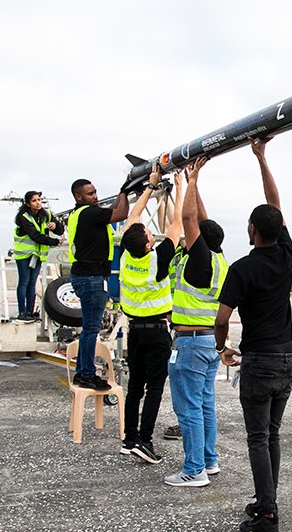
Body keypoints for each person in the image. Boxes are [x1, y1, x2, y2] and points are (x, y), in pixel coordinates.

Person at [215, 139, 292, 532]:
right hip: (286, 359)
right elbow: (275, 206)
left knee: (257, 438)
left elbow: (222, 317)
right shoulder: (285, 255)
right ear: (278, 230)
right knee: (273, 435)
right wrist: (263, 158)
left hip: (260, 361)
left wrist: (222, 347)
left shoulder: (242, 268)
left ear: (251, 230)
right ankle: (267, 500)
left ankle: (267, 513)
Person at [164, 156, 228, 488]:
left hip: (189, 344)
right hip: (207, 344)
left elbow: (190, 218)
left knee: (188, 409)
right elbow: (200, 218)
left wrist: (191, 180)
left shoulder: (200, 259)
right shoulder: (218, 259)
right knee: (204, 405)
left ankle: (194, 470)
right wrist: (195, 186)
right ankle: (209, 460)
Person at [117, 164, 182, 465]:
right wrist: (181, 187)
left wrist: (149, 187)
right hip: (156, 332)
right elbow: (177, 224)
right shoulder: (158, 260)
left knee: (135, 388)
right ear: (147, 243)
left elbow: (133, 219)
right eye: (147, 232)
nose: (147, 229)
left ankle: (129, 438)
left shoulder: (128, 255)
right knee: (155, 387)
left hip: (135, 331)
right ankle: (144, 440)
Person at [67, 177, 130, 391]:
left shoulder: (80, 214)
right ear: (78, 196)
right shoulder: (90, 213)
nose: (96, 196)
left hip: (83, 275)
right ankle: (86, 374)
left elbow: (111, 210)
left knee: (89, 329)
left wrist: (124, 190)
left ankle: (83, 372)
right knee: (91, 329)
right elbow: (121, 214)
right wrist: (128, 192)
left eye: (95, 191)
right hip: (92, 277)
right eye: (90, 193)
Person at [12, 190, 64, 321]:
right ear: (28, 204)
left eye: (39, 200)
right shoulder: (23, 217)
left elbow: (60, 230)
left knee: (32, 283)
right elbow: (35, 236)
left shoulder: (45, 214)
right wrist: (55, 242)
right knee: (24, 281)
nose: (38, 203)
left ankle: (29, 312)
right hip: (24, 255)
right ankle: (22, 312)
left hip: (37, 255)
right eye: (34, 201)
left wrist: (55, 225)